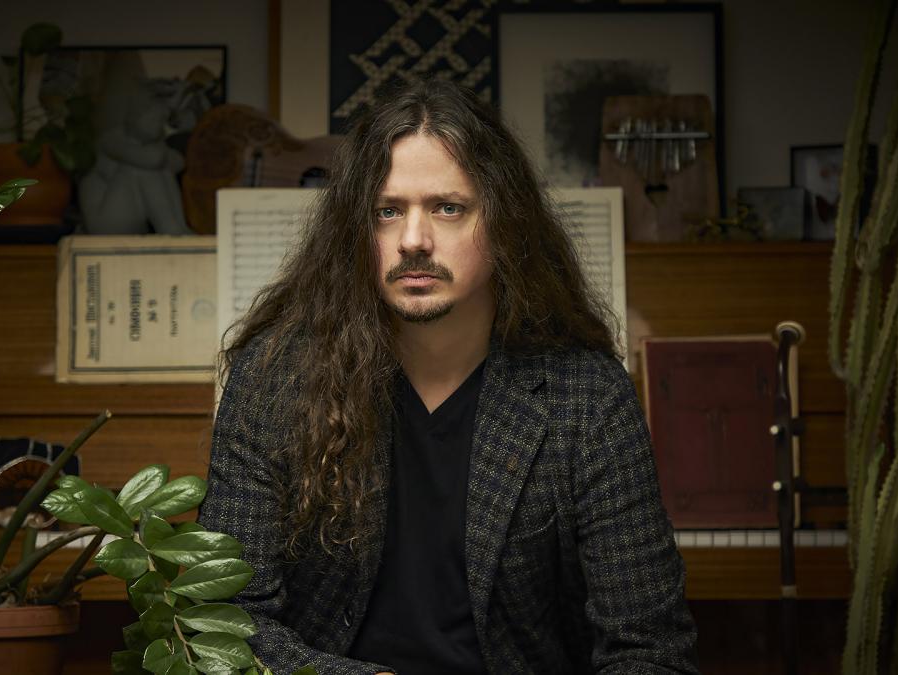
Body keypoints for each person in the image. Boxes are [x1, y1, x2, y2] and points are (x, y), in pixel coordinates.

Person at [196, 79, 698, 674]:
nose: (413, 240)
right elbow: (226, 620)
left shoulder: (585, 395)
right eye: (387, 211)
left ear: (504, 222)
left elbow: (650, 649)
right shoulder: (274, 380)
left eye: (448, 208)